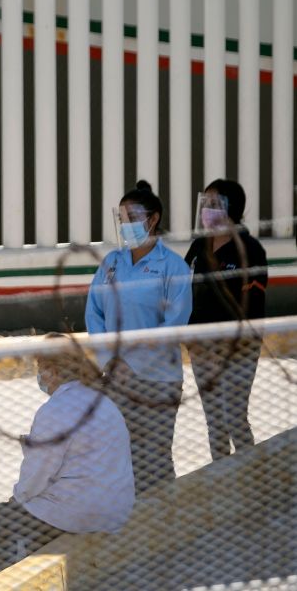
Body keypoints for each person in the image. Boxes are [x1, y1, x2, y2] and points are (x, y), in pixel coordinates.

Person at [0, 334, 135, 575]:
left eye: (40, 369)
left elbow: (38, 472)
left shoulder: (54, 409)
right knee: (38, 511)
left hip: (79, 511)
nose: (40, 377)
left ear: (52, 371)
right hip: (115, 508)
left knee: (2, 517)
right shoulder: (103, 402)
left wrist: (19, 497)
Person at [85, 180, 192, 493]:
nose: (126, 224)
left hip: (157, 381)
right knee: (119, 457)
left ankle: (161, 530)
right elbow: (94, 314)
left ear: (153, 218)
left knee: (155, 461)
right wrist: (110, 361)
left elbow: (174, 324)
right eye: (122, 218)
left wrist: (133, 365)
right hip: (116, 378)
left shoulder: (173, 267)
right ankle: (128, 528)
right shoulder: (112, 263)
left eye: (132, 216)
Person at [185, 179, 267, 461]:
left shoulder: (250, 250)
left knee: (234, 418)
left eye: (215, 203)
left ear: (234, 208)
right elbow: (184, 293)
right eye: (205, 202)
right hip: (200, 350)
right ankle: (221, 478)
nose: (207, 209)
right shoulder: (199, 246)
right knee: (214, 423)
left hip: (237, 351)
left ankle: (252, 477)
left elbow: (251, 308)